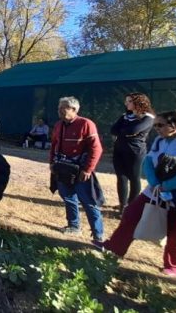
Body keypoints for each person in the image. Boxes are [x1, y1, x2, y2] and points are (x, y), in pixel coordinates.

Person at [101, 111, 176, 278]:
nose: (156, 128)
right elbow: (149, 162)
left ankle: (174, 266)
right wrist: (156, 183)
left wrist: (168, 186)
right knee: (131, 214)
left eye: (160, 125)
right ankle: (113, 248)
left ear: (175, 126)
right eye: (155, 125)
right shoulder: (160, 140)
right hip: (155, 190)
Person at [49, 96, 105, 243]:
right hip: (62, 169)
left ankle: (98, 235)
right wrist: (52, 163)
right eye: (59, 108)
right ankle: (74, 226)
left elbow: (96, 149)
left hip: (80, 170)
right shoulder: (58, 125)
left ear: (74, 109)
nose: (60, 111)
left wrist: (87, 169)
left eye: (63, 108)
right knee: (68, 197)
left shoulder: (86, 124)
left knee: (88, 201)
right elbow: (54, 145)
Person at [111, 93, 155, 213]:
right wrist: (125, 132)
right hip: (119, 150)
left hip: (135, 152)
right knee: (121, 177)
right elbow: (113, 129)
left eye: (129, 101)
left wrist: (124, 131)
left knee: (134, 178)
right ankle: (122, 206)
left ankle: (132, 207)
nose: (126, 103)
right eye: (126, 101)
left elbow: (133, 130)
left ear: (138, 102)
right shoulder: (125, 116)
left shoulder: (148, 117)